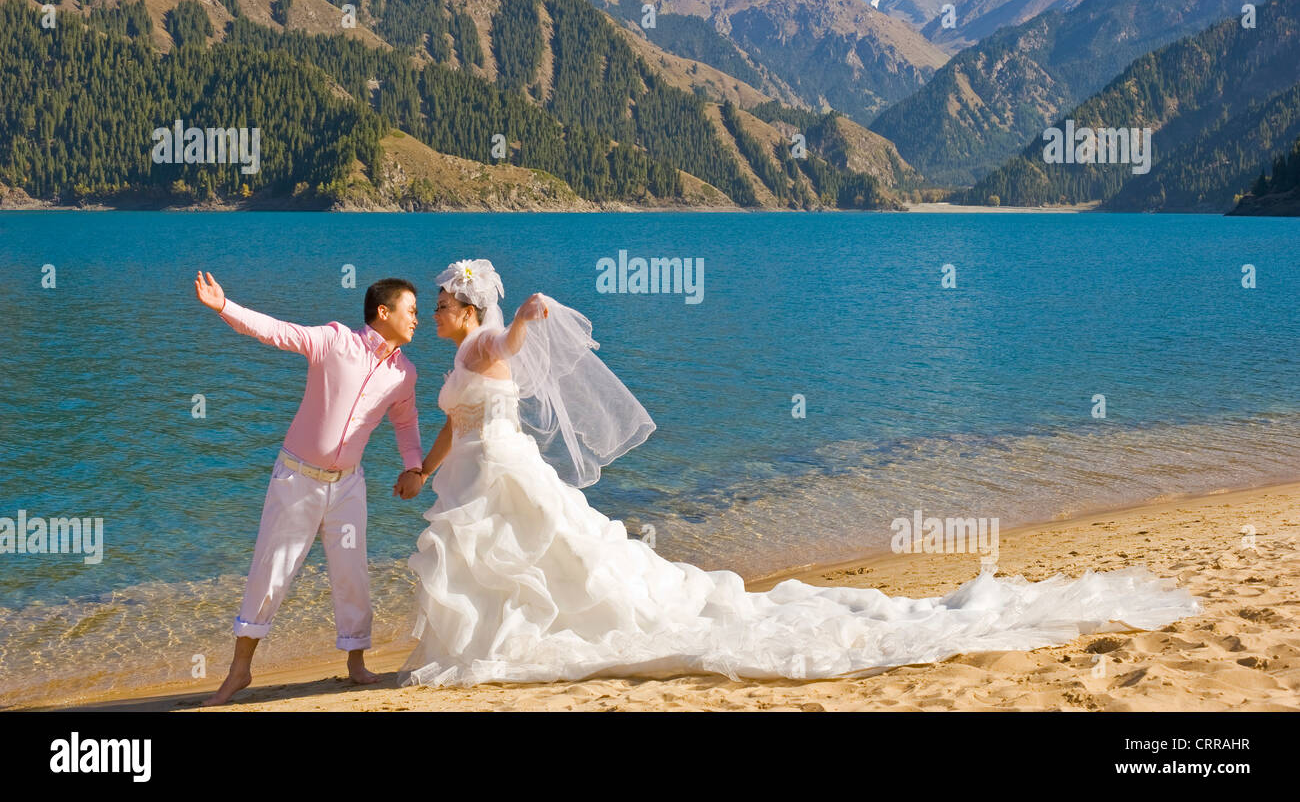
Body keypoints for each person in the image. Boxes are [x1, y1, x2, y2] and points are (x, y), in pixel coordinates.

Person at [396, 258, 1202, 688]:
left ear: (468, 311)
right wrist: (421, 468)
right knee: (533, 559)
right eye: (434, 305)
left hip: (500, 473)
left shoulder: (477, 346)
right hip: (480, 466)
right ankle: (486, 643)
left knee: (522, 558)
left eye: (442, 303)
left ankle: (488, 647)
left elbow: (499, 356)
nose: (435, 314)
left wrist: (528, 322)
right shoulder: (464, 353)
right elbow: (452, 419)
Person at [193, 272, 427, 706]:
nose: (417, 319)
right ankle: (239, 672)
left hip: (349, 487)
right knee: (271, 572)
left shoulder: (404, 374)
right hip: (296, 479)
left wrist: (414, 468)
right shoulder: (335, 341)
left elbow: (406, 424)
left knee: (352, 573)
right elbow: (277, 332)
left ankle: (356, 663)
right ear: (383, 312)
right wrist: (225, 307)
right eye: (410, 310)